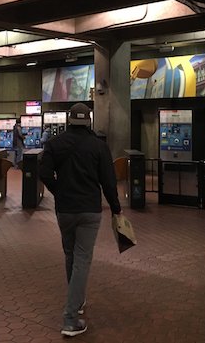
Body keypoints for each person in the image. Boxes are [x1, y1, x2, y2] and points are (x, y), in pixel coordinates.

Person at [39, 103, 121, 337]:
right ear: (88, 122)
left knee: (70, 255)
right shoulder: (99, 146)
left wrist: (59, 191)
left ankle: (78, 299)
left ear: (69, 121)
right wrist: (116, 209)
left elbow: (44, 173)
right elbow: (108, 182)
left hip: (64, 210)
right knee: (82, 260)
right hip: (89, 211)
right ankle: (70, 319)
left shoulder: (55, 144)